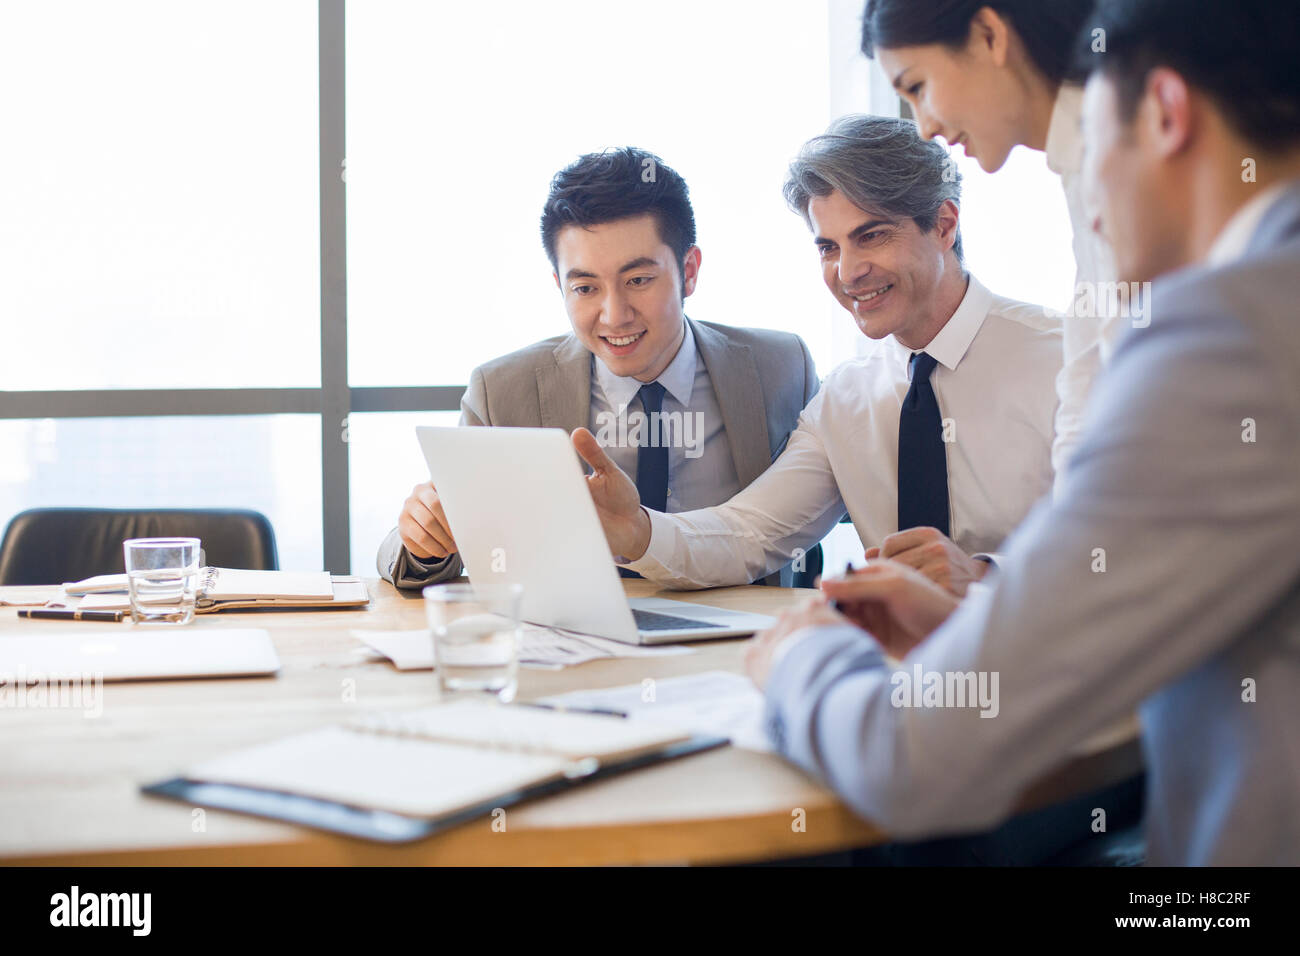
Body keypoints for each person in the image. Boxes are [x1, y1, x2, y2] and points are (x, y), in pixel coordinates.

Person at [746, 0, 1300, 865]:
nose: (1086, 203)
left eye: (1081, 150)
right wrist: (1000, 625)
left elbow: (912, 761)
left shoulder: (1230, 340)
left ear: (1164, 114)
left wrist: (797, 661)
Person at [575, 116, 1062, 598]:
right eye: (829, 247)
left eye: (872, 236)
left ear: (943, 225)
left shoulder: (1067, 360)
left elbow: (1125, 552)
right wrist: (638, 531)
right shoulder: (845, 399)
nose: (848, 272)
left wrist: (987, 579)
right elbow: (749, 533)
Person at [377, 147, 819, 589]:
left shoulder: (780, 369)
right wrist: (421, 542)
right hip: (574, 642)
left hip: (744, 640)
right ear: (559, 287)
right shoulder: (503, 391)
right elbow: (446, 541)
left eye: (638, 281)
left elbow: (809, 513)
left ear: (688, 271)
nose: (614, 315)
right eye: (586, 287)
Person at [859, 0, 1116, 494]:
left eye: (918, 87)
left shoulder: (1125, 147)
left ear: (988, 35)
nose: (924, 126)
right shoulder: (1083, 163)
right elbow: (1090, 386)